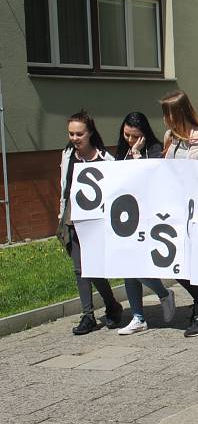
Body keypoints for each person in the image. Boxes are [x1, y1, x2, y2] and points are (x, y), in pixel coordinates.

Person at [58, 111, 124, 335]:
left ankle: (112, 305)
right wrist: (61, 216)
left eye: (79, 134)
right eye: (71, 134)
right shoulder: (67, 155)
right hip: (73, 217)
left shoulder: (105, 159)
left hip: (97, 220)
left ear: (90, 133)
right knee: (79, 268)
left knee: (93, 267)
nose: (75, 138)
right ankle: (88, 315)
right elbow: (64, 187)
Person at [114, 112, 176, 335]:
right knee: (128, 267)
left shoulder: (155, 150)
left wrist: (138, 156)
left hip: (149, 216)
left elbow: (155, 180)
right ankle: (138, 317)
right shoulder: (121, 152)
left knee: (138, 266)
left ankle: (163, 293)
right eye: (127, 135)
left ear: (144, 135)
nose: (130, 140)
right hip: (127, 216)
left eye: (135, 136)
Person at [160, 90, 198, 337]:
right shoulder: (170, 137)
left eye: (168, 114)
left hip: (197, 207)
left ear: (179, 113)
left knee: (196, 262)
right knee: (172, 263)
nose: (165, 119)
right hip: (174, 207)